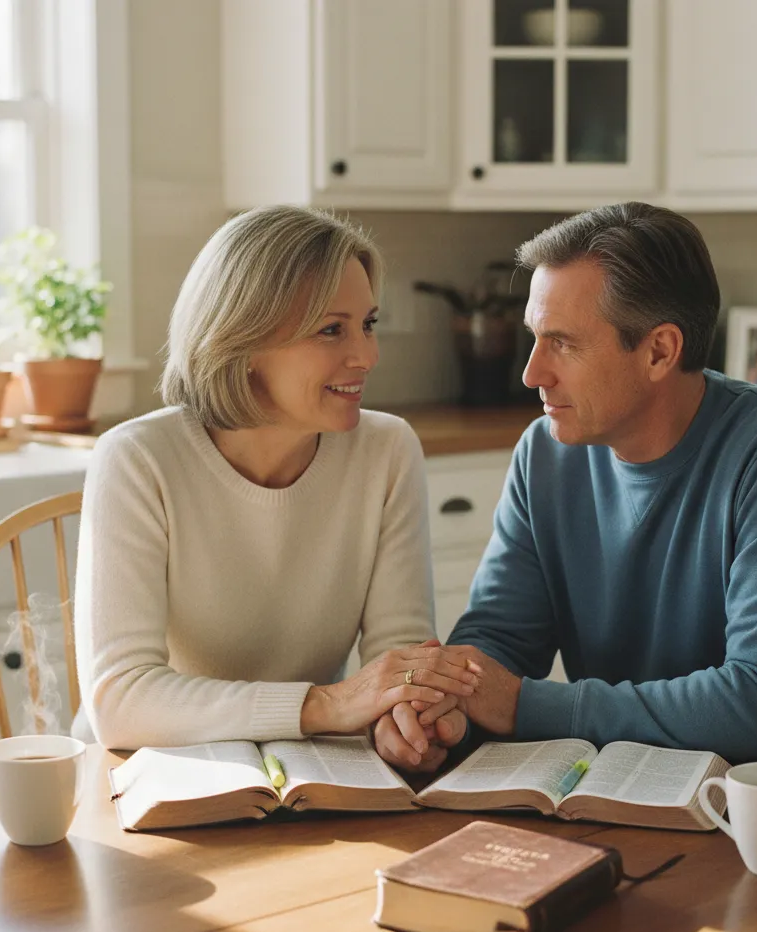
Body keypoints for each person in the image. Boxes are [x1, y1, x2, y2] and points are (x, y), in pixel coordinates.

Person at [397, 202, 757, 777]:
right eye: (534, 337)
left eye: (564, 344)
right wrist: (445, 707)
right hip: (620, 790)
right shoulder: (545, 451)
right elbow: (499, 636)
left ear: (659, 351)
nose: (532, 373)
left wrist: (524, 705)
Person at [74, 205, 478, 752]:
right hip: (146, 777)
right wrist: (329, 704)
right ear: (242, 343)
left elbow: (397, 659)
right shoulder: (137, 459)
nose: (367, 354)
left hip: (308, 773)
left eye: (368, 324)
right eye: (332, 330)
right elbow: (121, 702)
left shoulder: (386, 450)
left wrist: (403, 720)